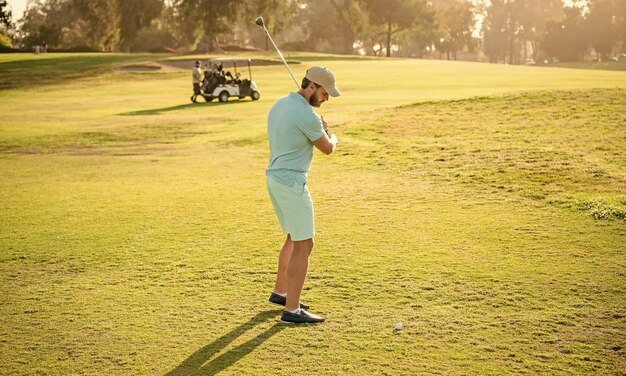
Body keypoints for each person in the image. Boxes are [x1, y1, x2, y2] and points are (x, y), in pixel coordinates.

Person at [266, 66, 341, 324]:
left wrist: (315, 124)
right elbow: (327, 148)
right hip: (292, 183)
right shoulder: (308, 116)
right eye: (324, 93)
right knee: (305, 243)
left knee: (292, 237)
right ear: (311, 87)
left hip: (274, 179)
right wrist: (331, 134)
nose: (325, 99)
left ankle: (281, 292)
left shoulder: (280, 104)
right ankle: (292, 310)